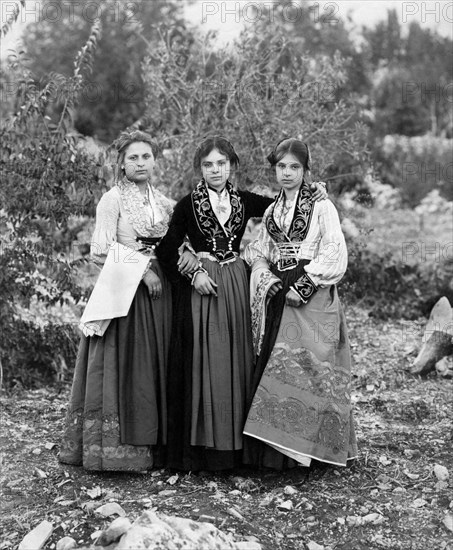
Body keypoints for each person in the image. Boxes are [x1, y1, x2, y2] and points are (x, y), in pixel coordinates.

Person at [156, 136, 327, 471]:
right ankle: (202, 451)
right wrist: (193, 274)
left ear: (232, 166)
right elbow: (166, 249)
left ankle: (235, 451)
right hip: (203, 287)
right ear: (200, 168)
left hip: (235, 282)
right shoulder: (186, 205)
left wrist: (315, 191)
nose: (215, 170)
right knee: (205, 359)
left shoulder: (246, 201)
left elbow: (284, 206)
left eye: (221, 163)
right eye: (208, 164)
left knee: (238, 358)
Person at [59, 130, 198, 472]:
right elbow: (99, 251)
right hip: (127, 293)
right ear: (121, 163)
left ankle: (160, 446)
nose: (140, 163)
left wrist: (186, 256)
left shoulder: (165, 202)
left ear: (154, 160)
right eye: (133, 158)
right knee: (129, 365)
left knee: (159, 363)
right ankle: (117, 452)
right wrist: (142, 272)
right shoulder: (112, 200)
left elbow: (180, 240)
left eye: (146, 157)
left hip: (161, 294)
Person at [242, 138, 358, 470]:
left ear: (306, 171)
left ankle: (313, 455)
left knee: (313, 367)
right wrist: (265, 272)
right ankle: (279, 458)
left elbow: (334, 251)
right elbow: (260, 248)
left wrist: (306, 284)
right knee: (281, 366)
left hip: (311, 292)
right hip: (281, 291)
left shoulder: (322, 206)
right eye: (281, 166)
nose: (288, 173)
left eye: (295, 167)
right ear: (274, 169)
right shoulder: (271, 210)